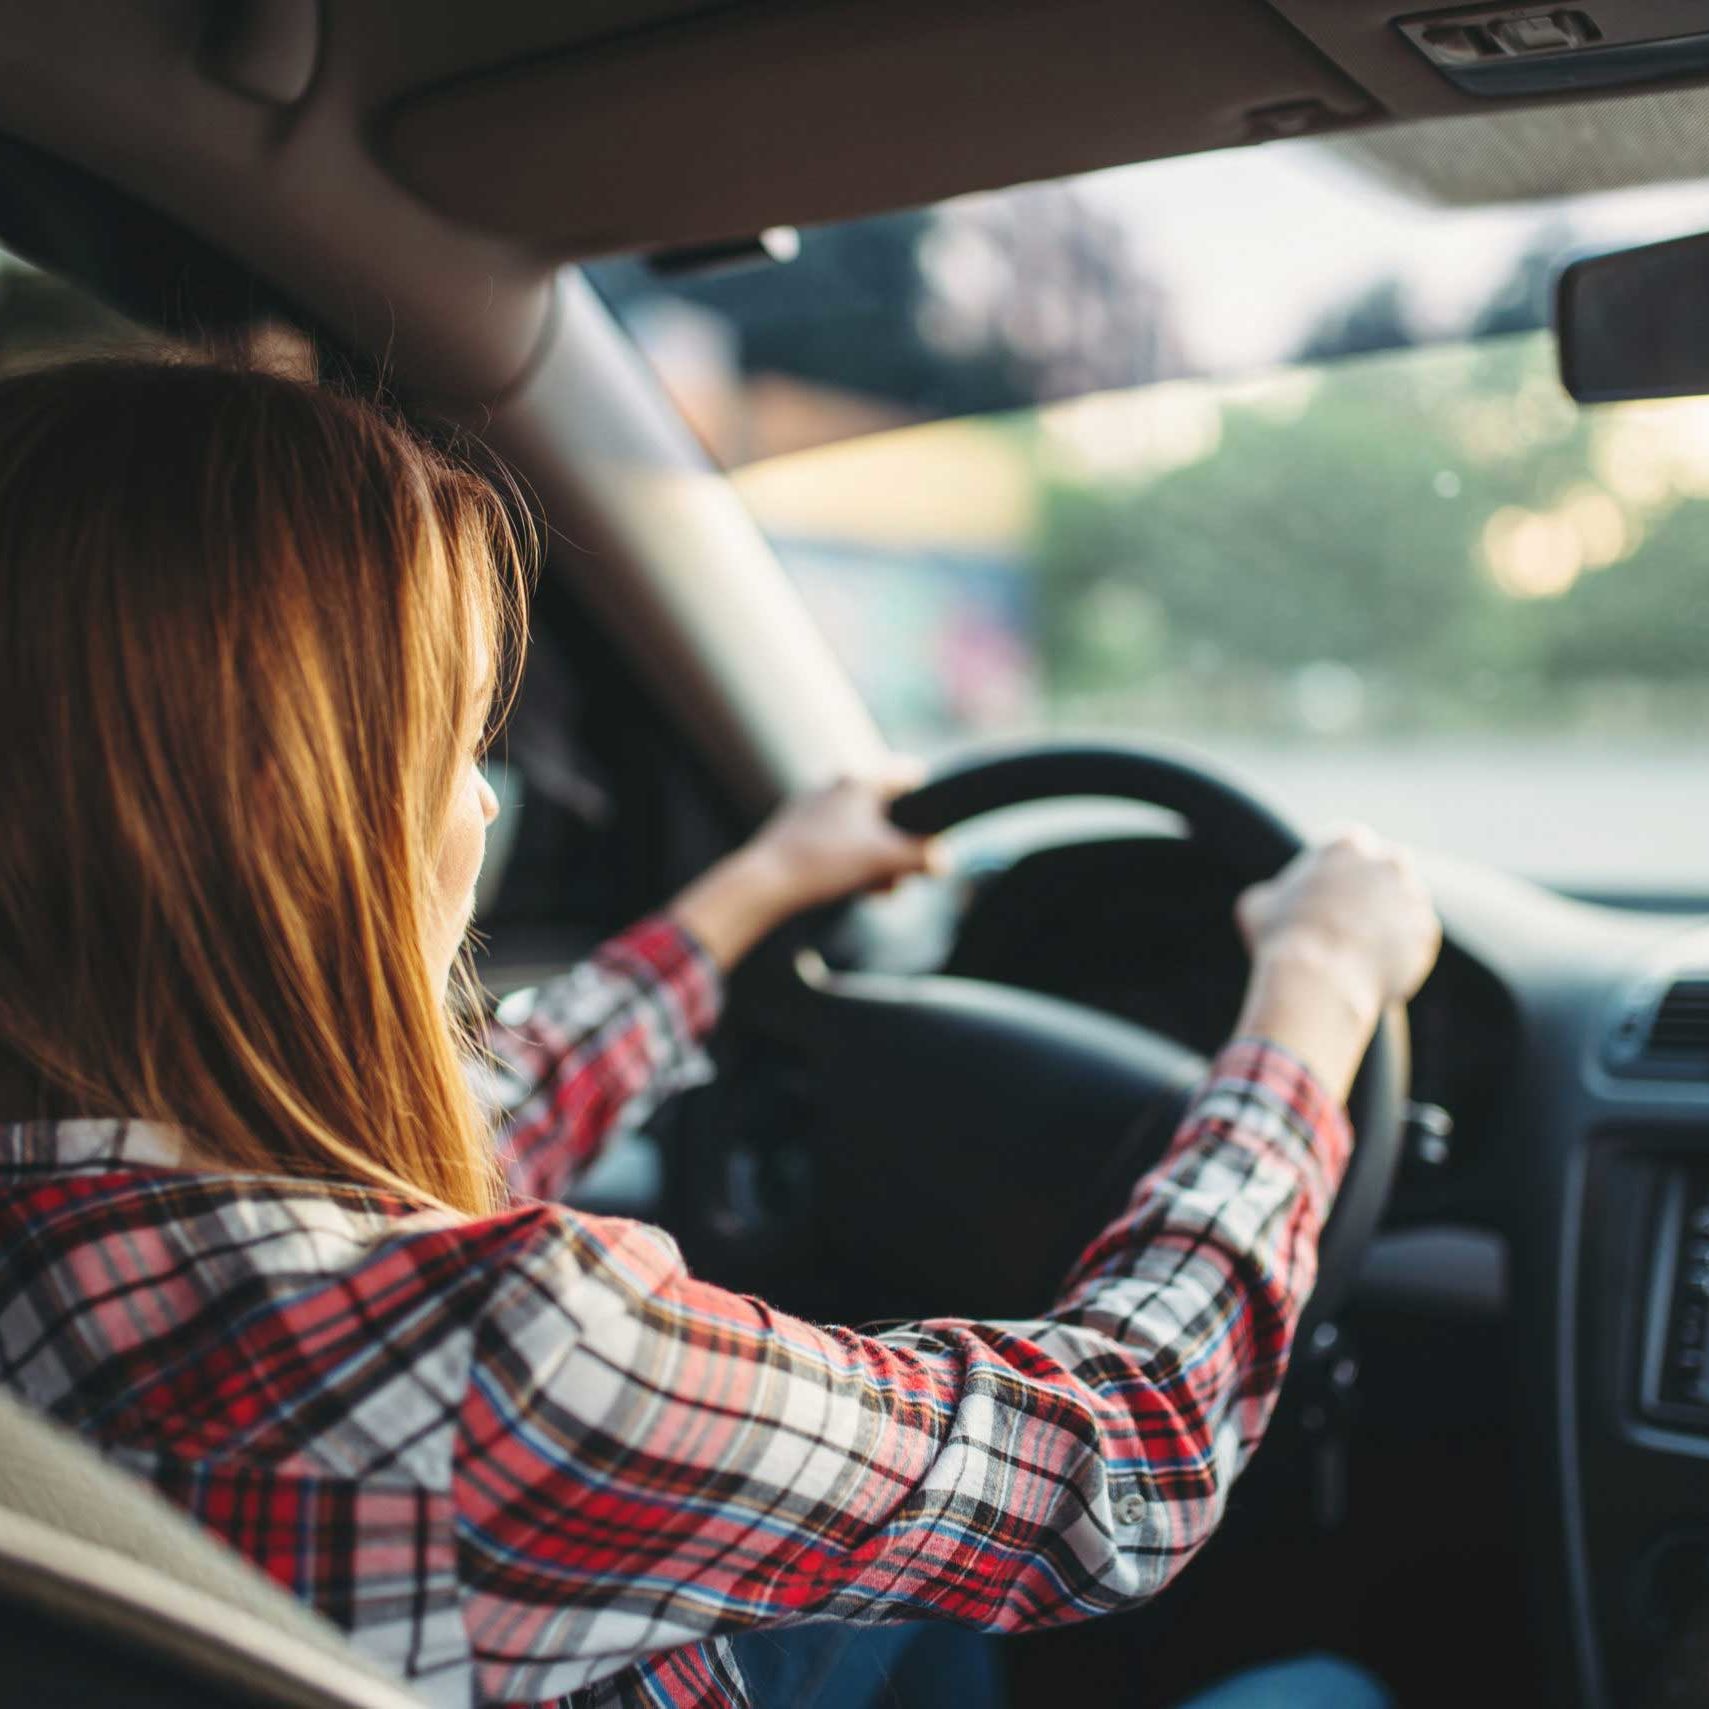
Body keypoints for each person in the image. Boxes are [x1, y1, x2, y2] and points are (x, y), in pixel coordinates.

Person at [0, 360, 1440, 1709]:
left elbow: (495, 1115)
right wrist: (1311, 992)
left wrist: (754, 892)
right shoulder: (510, 1364)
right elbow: (1119, 1454)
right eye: (446, 747)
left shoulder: (116, 1232)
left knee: (892, 1624)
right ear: (286, 819)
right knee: (1329, 1691)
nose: (481, 807)